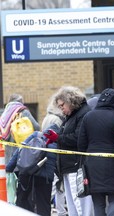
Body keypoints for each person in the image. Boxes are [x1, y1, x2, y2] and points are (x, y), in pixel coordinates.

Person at [44, 86, 94, 216]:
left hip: (76, 165)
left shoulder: (83, 114)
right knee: (72, 203)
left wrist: (58, 138)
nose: (61, 109)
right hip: (68, 166)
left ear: (70, 101)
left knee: (80, 203)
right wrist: (56, 136)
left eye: (62, 105)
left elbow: (78, 138)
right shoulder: (71, 115)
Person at [78, 88, 114, 216]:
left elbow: (81, 144)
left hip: (92, 164)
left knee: (98, 202)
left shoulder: (88, 116)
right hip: (113, 163)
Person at [6, 128, 58, 216]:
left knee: (23, 203)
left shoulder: (36, 134)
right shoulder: (57, 143)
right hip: (45, 178)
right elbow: (59, 163)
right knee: (43, 206)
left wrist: (9, 168)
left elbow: (20, 150)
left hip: (26, 174)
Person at [41, 96, 67, 216]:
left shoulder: (47, 118)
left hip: (47, 152)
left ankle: (59, 210)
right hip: (55, 154)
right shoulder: (57, 120)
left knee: (55, 184)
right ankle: (60, 211)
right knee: (57, 184)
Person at [0, 93, 40, 164]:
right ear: (21, 102)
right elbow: (36, 127)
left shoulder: (4, 114)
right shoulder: (23, 111)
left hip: (7, 158)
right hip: (20, 156)